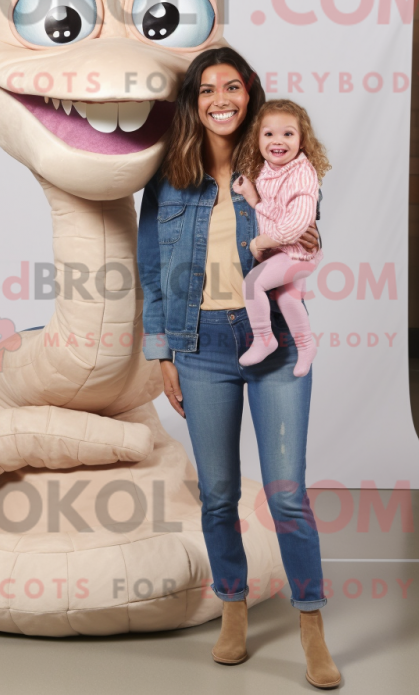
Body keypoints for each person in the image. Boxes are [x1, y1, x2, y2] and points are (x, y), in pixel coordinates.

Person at [137, 47, 341, 689]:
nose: (220, 98)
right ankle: (232, 607)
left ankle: (311, 622)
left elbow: (306, 239)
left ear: (249, 96)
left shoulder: (283, 166)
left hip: (274, 343)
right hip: (201, 349)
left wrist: (304, 237)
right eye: (206, 90)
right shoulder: (169, 179)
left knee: (286, 494)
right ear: (193, 102)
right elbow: (152, 270)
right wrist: (162, 351)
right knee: (220, 496)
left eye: (232, 87)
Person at [231, 99, 330, 375]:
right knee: (287, 299)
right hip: (288, 252)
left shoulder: (302, 173)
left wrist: (261, 242)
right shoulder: (268, 170)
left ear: (302, 141)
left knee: (252, 284)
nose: (278, 140)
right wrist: (254, 198)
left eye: (288, 133)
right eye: (269, 133)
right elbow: (278, 212)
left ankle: (264, 338)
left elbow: (294, 225)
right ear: (258, 138)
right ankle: (306, 344)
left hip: (297, 254)